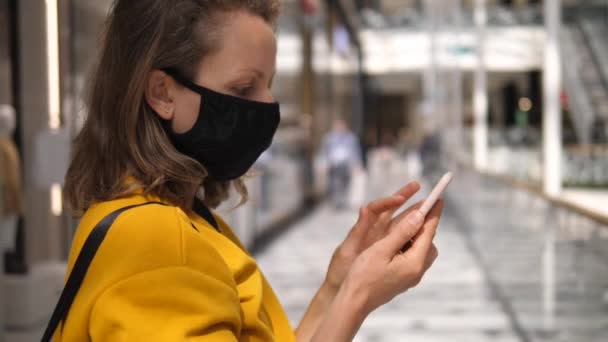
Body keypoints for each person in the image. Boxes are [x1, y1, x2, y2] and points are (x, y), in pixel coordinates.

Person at [56, 1, 443, 341]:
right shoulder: (157, 245)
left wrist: (337, 285)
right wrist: (359, 295)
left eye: (269, 85)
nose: (268, 106)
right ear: (162, 93)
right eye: (244, 88)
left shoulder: (190, 220)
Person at [322, 118, 363, 209]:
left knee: (345, 183)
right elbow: (325, 152)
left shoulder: (351, 138)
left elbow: (355, 152)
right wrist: (324, 164)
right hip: (334, 165)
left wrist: (357, 165)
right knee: (335, 183)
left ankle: (342, 200)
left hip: (346, 165)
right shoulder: (329, 138)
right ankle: (336, 202)